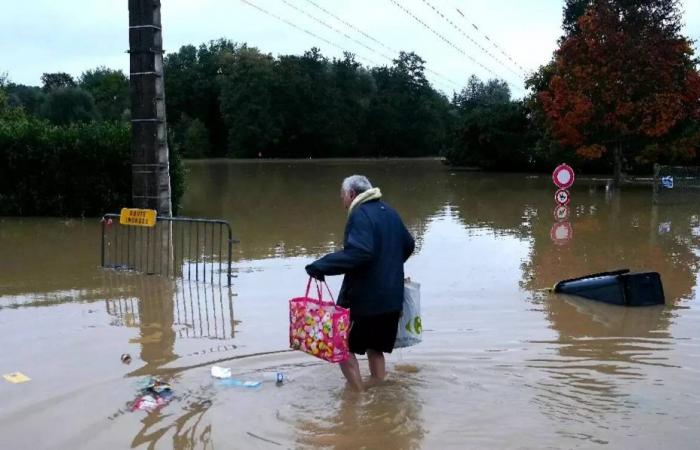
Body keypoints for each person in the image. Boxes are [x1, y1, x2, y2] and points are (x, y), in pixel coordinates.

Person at [305, 175, 415, 391]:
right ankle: (381, 395)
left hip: (367, 301)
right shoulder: (389, 212)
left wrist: (322, 265)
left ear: (352, 194)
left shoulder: (360, 214)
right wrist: (387, 267)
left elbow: (359, 253)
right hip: (392, 299)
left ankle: (358, 396)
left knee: (341, 345)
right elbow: (409, 244)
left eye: (342, 196)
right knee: (376, 348)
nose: (342, 202)